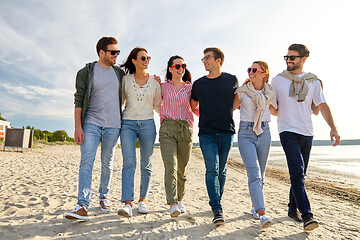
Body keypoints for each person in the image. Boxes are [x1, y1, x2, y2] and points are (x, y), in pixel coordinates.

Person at [271, 44, 340, 231]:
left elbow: (322, 105)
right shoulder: (278, 80)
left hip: (307, 132)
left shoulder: (313, 81)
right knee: (296, 170)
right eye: (286, 57)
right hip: (287, 130)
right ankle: (308, 215)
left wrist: (333, 128)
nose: (288, 60)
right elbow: (271, 105)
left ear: (303, 59)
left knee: (300, 174)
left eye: (292, 57)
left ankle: (293, 208)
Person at [65, 37, 124, 220]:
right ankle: (82, 204)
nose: (116, 55)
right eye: (113, 52)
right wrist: (77, 127)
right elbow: (79, 99)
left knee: (107, 164)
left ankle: (104, 197)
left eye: (117, 52)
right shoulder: (86, 72)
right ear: (101, 53)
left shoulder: (120, 74)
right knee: (86, 163)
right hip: (91, 122)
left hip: (113, 125)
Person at [191, 47, 238, 225]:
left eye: (207, 57)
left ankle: (217, 199)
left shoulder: (231, 79)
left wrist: (225, 112)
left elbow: (236, 99)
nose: (204, 61)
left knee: (222, 170)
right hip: (206, 133)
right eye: (203, 58)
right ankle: (216, 207)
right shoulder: (199, 84)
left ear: (219, 60)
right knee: (212, 169)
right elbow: (192, 104)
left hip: (227, 131)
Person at [117, 47, 162, 218]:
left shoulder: (155, 82)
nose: (146, 60)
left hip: (148, 125)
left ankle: (142, 200)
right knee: (129, 163)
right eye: (143, 57)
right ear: (134, 61)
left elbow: (158, 106)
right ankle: (127, 203)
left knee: (146, 164)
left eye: (148, 57)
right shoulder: (125, 80)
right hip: (127, 124)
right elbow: (120, 102)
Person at [233, 61, 277, 228]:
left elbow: (276, 111)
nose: (250, 72)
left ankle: (254, 206)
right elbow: (229, 108)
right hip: (246, 133)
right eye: (249, 69)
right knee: (254, 173)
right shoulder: (242, 91)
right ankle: (262, 213)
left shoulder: (271, 93)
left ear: (264, 73)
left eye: (254, 70)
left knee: (262, 174)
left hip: (265, 132)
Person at [159, 55, 199, 218]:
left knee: (182, 169)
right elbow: (153, 101)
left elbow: (196, 109)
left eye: (183, 65)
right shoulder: (161, 86)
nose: (181, 68)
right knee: (171, 167)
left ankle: (180, 199)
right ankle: (172, 203)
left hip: (185, 129)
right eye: (177, 66)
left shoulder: (191, 88)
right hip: (167, 128)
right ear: (170, 69)